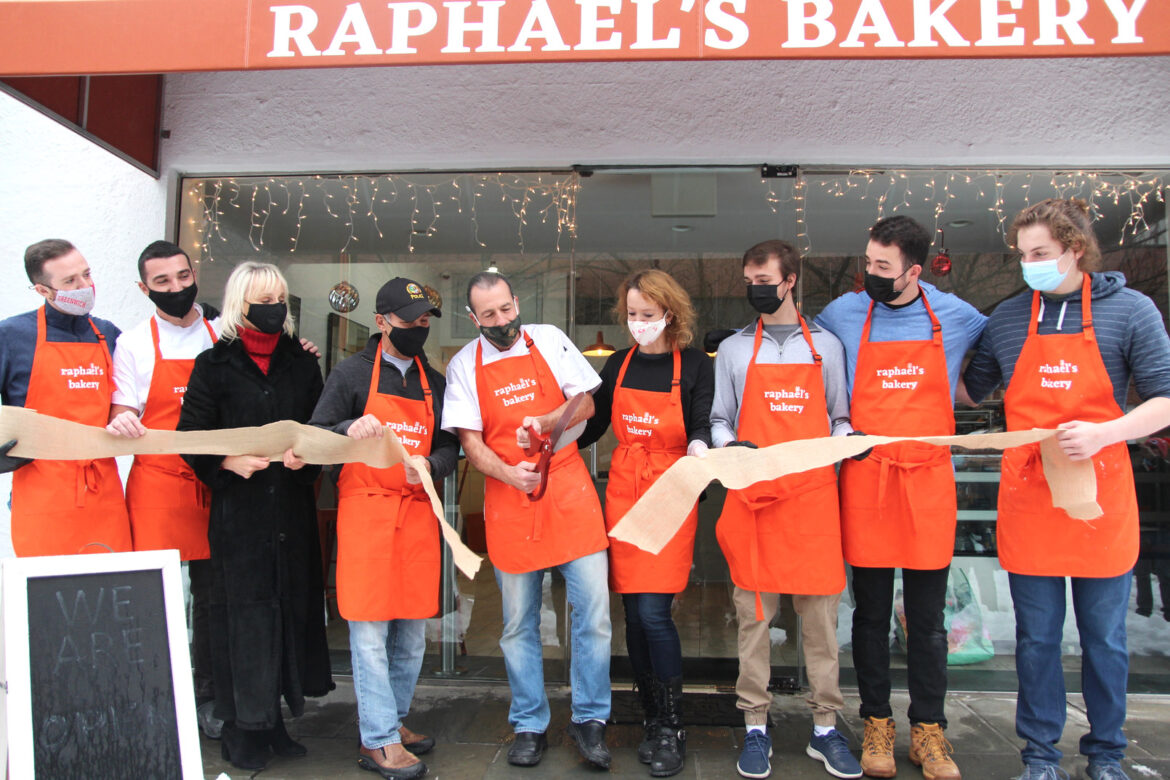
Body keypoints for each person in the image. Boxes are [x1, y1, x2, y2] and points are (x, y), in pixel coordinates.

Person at [962, 198, 1170, 780]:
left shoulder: (1131, 310)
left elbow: (1164, 399)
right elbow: (969, 391)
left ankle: (1106, 754)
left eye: (1041, 254)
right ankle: (1040, 757)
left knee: (1105, 639)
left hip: (1099, 494)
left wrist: (1108, 431)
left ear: (1075, 250)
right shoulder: (1007, 317)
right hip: (1030, 496)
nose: (1029, 264)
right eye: (1023, 255)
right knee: (1036, 641)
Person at [816, 216, 985, 780]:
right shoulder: (844, 313)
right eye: (867, 262)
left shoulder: (957, 316)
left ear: (914, 270)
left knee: (929, 619)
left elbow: (998, 359)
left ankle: (930, 732)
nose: (870, 274)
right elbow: (803, 352)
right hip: (868, 478)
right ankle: (876, 725)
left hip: (929, 482)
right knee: (868, 615)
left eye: (882, 267)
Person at [442, 271, 612, 770]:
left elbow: (587, 401)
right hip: (510, 496)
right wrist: (508, 473)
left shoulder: (551, 341)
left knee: (594, 614)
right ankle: (530, 722)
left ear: (516, 301)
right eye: (489, 316)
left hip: (567, 485)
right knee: (518, 624)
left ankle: (590, 719)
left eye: (506, 309)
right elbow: (470, 442)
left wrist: (544, 423)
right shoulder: (463, 366)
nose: (501, 322)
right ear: (474, 318)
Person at [712, 240, 860, 780]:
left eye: (763, 279)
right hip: (753, 502)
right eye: (748, 279)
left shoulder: (828, 347)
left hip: (814, 502)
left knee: (820, 623)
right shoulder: (732, 349)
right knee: (753, 620)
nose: (755, 288)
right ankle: (755, 726)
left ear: (789, 281)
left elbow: (840, 416)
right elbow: (720, 420)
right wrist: (731, 447)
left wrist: (849, 439)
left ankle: (825, 728)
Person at [177, 261, 332, 772]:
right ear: (241, 301)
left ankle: (278, 722)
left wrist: (306, 456)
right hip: (240, 517)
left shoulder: (302, 362)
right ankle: (243, 729)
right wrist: (224, 461)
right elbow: (191, 434)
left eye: (281, 297)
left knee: (288, 611)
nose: (275, 307)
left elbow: (318, 427)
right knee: (241, 620)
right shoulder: (213, 365)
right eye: (264, 298)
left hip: (290, 509)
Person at [309, 277, 458, 780]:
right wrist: (347, 430)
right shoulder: (350, 375)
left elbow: (449, 449)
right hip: (366, 514)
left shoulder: (433, 382)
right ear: (380, 322)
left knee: (412, 632)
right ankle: (377, 740)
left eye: (423, 321)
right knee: (370, 630)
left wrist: (433, 466)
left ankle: (390, 721)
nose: (418, 328)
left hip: (417, 512)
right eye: (408, 320)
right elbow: (316, 438)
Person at [578, 269, 713, 778]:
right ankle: (653, 716)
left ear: (670, 315)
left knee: (655, 613)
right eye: (632, 315)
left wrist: (701, 447)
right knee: (634, 614)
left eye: (647, 315)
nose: (638, 323)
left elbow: (700, 422)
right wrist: (552, 440)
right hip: (624, 495)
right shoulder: (617, 364)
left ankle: (671, 723)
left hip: (672, 495)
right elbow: (594, 425)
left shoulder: (697, 365)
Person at [103, 240, 222, 739]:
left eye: (182, 276)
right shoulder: (131, 344)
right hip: (159, 484)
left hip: (218, 480)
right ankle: (162, 702)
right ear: (143, 288)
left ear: (194, 273)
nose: (177, 288)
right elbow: (120, 409)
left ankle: (213, 698)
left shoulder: (224, 333)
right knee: (163, 598)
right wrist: (123, 417)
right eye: (163, 282)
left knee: (215, 600)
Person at [0, 238, 131, 556]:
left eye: (87, 274)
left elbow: (127, 401)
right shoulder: (11, 336)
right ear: (42, 290)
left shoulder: (109, 335)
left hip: (105, 491)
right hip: (42, 494)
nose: (85, 285)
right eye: (71, 281)